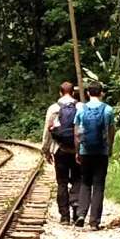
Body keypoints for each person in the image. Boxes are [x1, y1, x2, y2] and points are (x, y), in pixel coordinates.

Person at [74, 82, 115, 229]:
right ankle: (94, 222)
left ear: (87, 93)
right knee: (98, 185)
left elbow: (77, 133)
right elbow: (111, 132)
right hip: (101, 152)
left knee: (85, 183)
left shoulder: (81, 110)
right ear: (101, 93)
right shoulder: (108, 110)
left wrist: (78, 151)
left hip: (86, 151)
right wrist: (109, 148)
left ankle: (81, 214)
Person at [41, 82, 80, 225]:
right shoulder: (80, 107)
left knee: (62, 182)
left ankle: (64, 216)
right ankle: (76, 210)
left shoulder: (54, 108)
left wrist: (45, 150)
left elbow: (47, 131)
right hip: (76, 150)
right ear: (73, 92)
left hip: (59, 150)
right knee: (77, 179)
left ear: (60, 92)